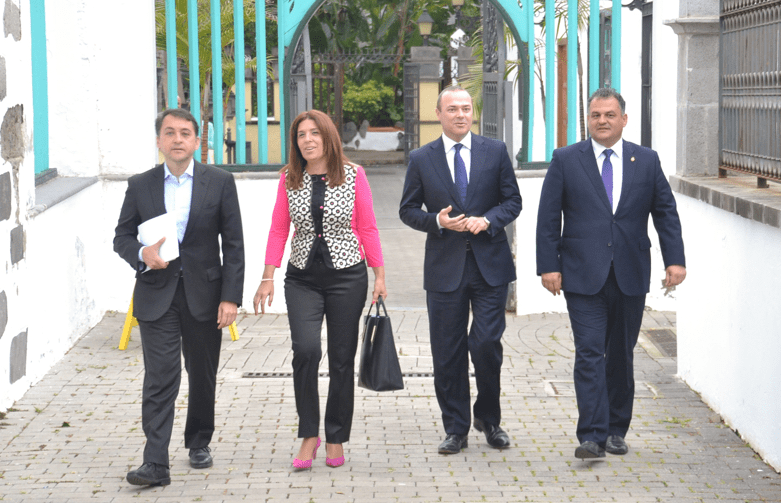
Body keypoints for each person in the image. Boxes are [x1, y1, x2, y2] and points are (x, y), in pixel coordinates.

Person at [536, 87, 686, 460]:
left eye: (609, 115)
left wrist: (675, 260)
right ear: (588, 119)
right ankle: (591, 435)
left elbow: (665, 212)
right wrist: (548, 265)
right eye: (595, 115)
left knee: (620, 354)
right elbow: (548, 216)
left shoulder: (646, 160)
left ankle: (617, 430)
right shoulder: (566, 159)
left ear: (623, 119)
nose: (601, 121)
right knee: (588, 353)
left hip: (630, 273)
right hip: (582, 274)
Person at [114, 108, 245, 486]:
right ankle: (155, 462)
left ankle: (199, 441)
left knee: (202, 374)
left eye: (184, 133)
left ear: (196, 141)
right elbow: (121, 236)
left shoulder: (219, 182)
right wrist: (142, 255)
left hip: (205, 293)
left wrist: (230, 297)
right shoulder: (140, 185)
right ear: (158, 141)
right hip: (157, 294)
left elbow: (233, 244)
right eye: (169, 133)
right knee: (160, 377)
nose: (177, 139)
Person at [253, 109, 386, 471]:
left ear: (327, 136)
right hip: (301, 279)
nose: (307, 140)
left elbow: (369, 227)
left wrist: (380, 276)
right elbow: (279, 229)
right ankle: (308, 433)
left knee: (341, 359)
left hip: (348, 277)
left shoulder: (355, 175)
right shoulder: (288, 178)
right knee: (306, 350)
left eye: (314, 133)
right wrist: (268, 276)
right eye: (300, 135)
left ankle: (336, 436)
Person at [399, 86, 522, 455]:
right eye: (452, 109)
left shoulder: (495, 151)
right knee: (447, 352)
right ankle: (456, 428)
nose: (460, 115)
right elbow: (407, 210)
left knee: (485, 344)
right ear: (439, 113)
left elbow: (512, 200)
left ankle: (489, 417)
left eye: (466, 108)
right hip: (444, 268)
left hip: (490, 267)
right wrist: (436, 221)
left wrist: (488, 220)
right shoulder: (422, 158)